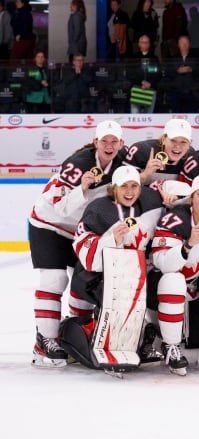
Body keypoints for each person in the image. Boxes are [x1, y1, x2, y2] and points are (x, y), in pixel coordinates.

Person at [29, 121, 125, 368]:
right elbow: (59, 207)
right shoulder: (78, 165)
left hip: (81, 232)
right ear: (96, 142)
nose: (109, 145)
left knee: (86, 283)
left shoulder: (124, 164)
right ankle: (45, 341)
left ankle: (74, 336)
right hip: (48, 225)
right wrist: (82, 187)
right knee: (54, 280)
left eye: (114, 141)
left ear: (121, 144)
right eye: (104, 140)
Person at [65, 166, 166, 371]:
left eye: (134, 186)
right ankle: (85, 338)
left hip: (136, 273)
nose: (129, 192)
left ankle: (141, 341)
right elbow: (85, 253)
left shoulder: (151, 201)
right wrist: (112, 240)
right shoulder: (99, 209)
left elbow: (178, 192)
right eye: (124, 187)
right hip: (97, 274)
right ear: (114, 188)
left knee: (157, 290)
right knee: (107, 296)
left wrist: (169, 193)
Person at [150, 174, 199, 375]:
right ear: (191, 197)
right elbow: (163, 264)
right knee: (174, 279)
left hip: (192, 287)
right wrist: (188, 245)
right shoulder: (174, 219)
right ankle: (170, 345)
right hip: (162, 285)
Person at [120, 118, 196, 184]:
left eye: (183, 142)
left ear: (190, 143)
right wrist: (145, 175)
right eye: (173, 140)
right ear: (163, 139)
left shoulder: (192, 157)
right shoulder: (141, 150)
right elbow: (122, 185)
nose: (178, 146)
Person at [164, 35, 199, 113]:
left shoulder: (195, 58)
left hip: (191, 93)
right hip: (176, 93)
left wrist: (191, 70)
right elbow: (167, 73)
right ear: (178, 45)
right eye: (182, 43)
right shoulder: (173, 58)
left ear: (189, 44)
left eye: (186, 43)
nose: (184, 45)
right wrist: (177, 71)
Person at [129, 35, 161, 113]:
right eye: (142, 42)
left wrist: (150, 83)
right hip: (137, 88)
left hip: (150, 89)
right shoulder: (134, 58)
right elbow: (131, 73)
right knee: (135, 114)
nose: (144, 44)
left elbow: (157, 74)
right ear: (139, 44)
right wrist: (142, 82)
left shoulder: (154, 58)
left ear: (149, 44)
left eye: (146, 42)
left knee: (149, 115)